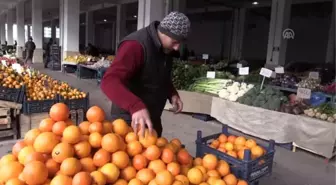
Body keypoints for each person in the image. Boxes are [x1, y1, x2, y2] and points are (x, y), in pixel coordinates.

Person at [101, 12, 190, 137]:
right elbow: (109, 81)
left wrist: (172, 93)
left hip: (152, 117)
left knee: (156, 154)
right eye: (175, 42)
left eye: (180, 43)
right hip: (129, 119)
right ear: (164, 32)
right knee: (128, 155)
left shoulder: (166, 48)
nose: (177, 48)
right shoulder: (135, 45)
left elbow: (159, 74)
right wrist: (135, 106)